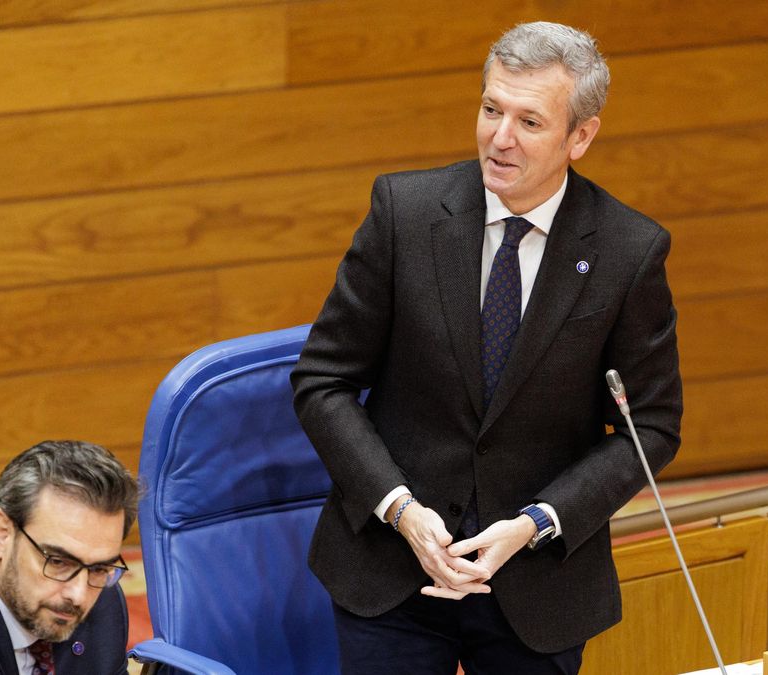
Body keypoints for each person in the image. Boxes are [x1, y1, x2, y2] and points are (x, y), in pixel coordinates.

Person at [291, 20, 682, 674]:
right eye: (491, 108)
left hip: (537, 584)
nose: (499, 138)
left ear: (580, 136)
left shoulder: (626, 252)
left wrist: (536, 521)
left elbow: (652, 425)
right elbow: (322, 381)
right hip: (394, 572)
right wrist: (402, 509)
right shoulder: (405, 214)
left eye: (529, 122)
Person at [0, 440, 140, 675]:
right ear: (1, 533)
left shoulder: (104, 600)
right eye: (58, 562)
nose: (78, 595)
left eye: (99, 568)